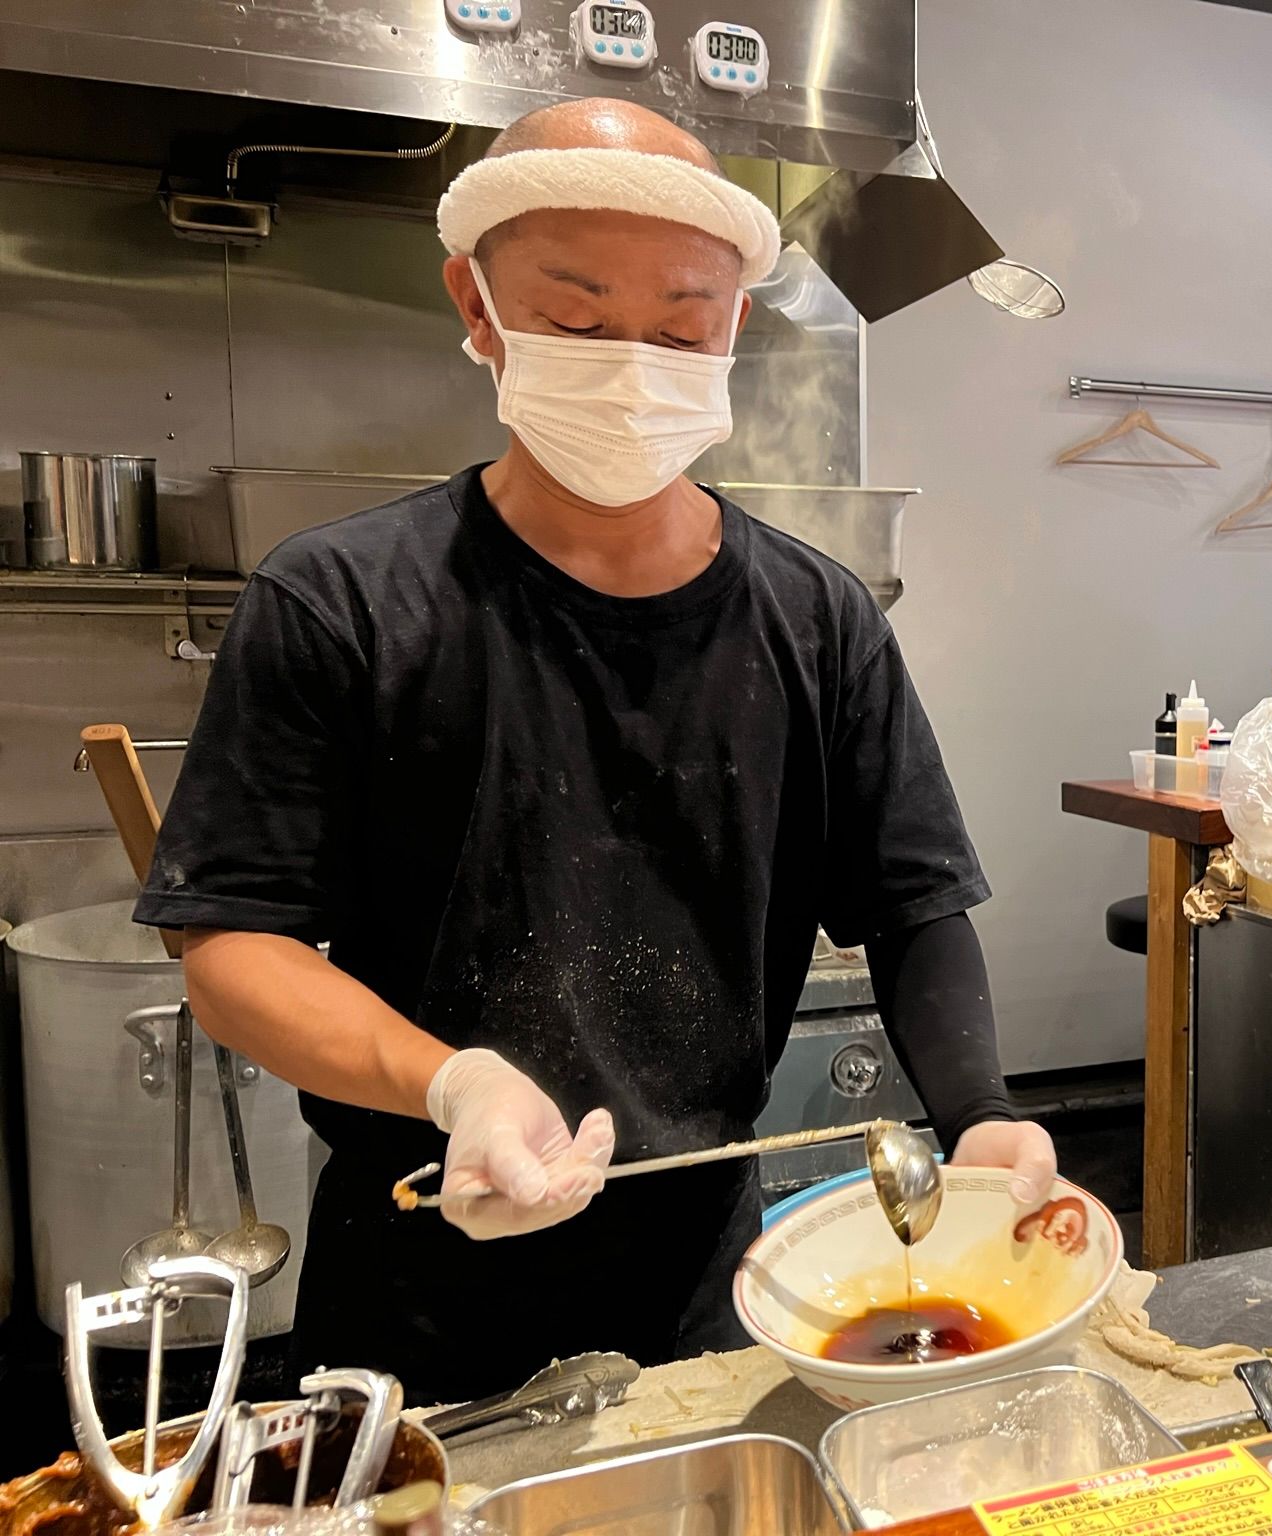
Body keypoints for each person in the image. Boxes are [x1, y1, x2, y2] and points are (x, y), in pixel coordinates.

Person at [135, 99, 1056, 1402]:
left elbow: (911, 903)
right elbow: (234, 950)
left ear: (733, 321)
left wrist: (982, 1115)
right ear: (476, 304)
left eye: (682, 321)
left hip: (706, 1289)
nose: (633, 360)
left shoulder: (816, 621)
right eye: (576, 317)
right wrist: (451, 1084)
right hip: (414, 1283)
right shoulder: (340, 602)